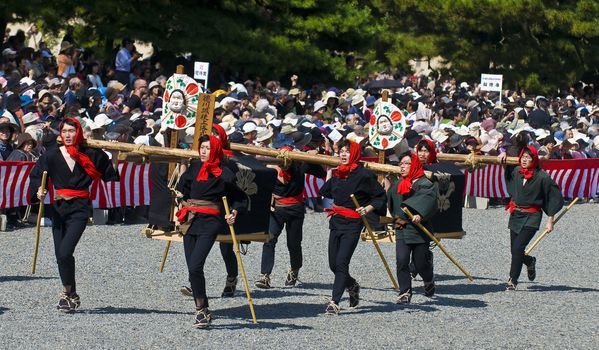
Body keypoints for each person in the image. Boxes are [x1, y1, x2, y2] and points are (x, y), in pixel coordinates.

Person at [29, 118, 119, 312]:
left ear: (78, 132)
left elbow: (110, 175)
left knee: (65, 251)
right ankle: (72, 294)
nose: (68, 134)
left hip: (80, 208)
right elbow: (36, 175)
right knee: (60, 254)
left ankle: (65, 292)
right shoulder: (51, 155)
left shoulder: (91, 154)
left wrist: (115, 153)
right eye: (65, 131)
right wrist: (39, 190)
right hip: (58, 208)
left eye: (72, 130)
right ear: (61, 133)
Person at [175, 135, 247, 328]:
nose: (203, 151)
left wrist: (234, 212)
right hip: (191, 220)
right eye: (202, 147)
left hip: (211, 221)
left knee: (195, 266)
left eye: (207, 148)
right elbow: (183, 188)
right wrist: (181, 199)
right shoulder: (194, 167)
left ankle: (199, 310)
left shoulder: (225, 173)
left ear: (215, 150)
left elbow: (240, 197)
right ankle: (204, 308)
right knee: (192, 268)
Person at [319, 140, 386, 314]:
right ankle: (352, 285)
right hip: (336, 222)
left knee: (342, 263)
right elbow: (324, 191)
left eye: (347, 151)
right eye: (340, 151)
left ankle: (334, 302)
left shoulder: (364, 175)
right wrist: (329, 173)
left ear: (355, 153)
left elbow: (380, 197)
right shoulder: (339, 173)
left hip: (353, 223)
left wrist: (368, 208)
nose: (343, 154)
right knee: (333, 264)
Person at [255, 141, 326, 289]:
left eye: (286, 161)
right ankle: (265, 275)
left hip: (296, 209)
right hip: (276, 209)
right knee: (269, 239)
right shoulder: (270, 166)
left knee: (293, 243)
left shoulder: (300, 164)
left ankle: (294, 270)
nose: (284, 164)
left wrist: (311, 157)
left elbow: (321, 173)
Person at [498, 146, 564, 290]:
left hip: (532, 216)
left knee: (517, 248)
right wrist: (503, 155)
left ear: (534, 159)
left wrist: (550, 219)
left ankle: (512, 280)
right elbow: (507, 169)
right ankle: (529, 261)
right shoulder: (516, 172)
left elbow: (553, 197)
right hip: (516, 214)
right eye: (523, 157)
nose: (524, 160)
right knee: (514, 250)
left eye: (528, 157)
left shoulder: (542, 177)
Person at [388, 152, 438, 304]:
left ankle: (428, 280)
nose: (402, 166)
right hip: (402, 227)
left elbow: (429, 200)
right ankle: (405, 292)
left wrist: (419, 214)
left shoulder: (425, 183)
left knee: (420, 263)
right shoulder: (397, 184)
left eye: (406, 163)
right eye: (401, 163)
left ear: (414, 165)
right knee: (402, 260)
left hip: (418, 229)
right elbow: (390, 203)